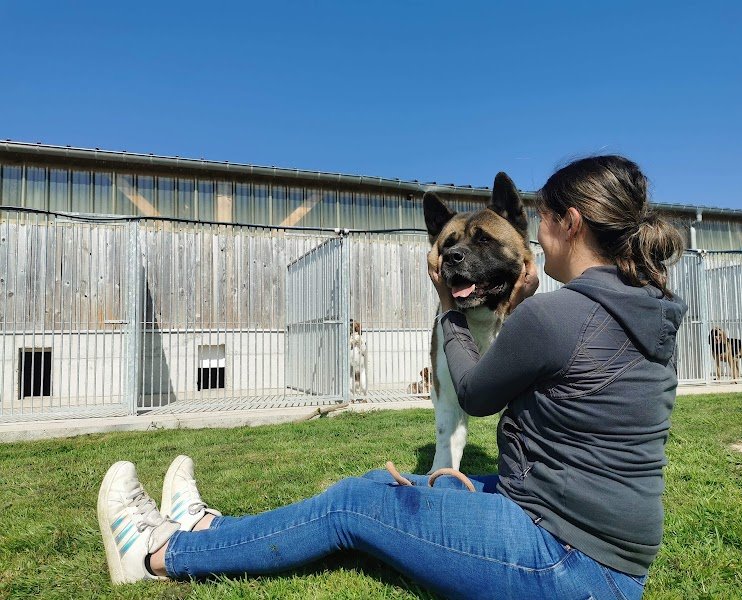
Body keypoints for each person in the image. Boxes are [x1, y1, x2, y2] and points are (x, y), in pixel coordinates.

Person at [97, 155, 686, 600]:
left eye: (544, 219)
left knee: (352, 505)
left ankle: (157, 553)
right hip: (612, 563)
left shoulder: (560, 314)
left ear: (572, 223)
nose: (537, 232)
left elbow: (477, 397)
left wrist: (449, 307)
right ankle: (204, 526)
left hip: (563, 563)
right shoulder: (647, 309)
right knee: (425, 484)